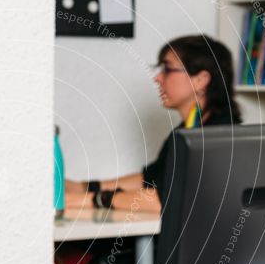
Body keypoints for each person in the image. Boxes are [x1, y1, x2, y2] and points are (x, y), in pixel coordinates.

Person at [66, 34, 242, 213]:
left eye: (167, 69)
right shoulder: (186, 132)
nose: (157, 78)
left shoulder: (218, 140)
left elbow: (167, 199)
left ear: (200, 80)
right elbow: (150, 179)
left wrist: (91, 200)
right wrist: (84, 187)